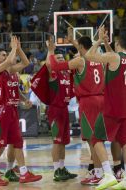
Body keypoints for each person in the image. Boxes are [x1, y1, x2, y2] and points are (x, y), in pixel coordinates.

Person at [48, 28, 104, 185]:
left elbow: (56, 67)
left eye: (77, 46)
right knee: (96, 138)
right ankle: (98, 170)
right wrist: (74, 41)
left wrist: (51, 52)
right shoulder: (98, 59)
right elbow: (84, 53)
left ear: (80, 47)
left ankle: (98, 173)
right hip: (101, 99)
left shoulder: (80, 61)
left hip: (88, 101)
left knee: (93, 140)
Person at [83, 26, 126, 190]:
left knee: (95, 139)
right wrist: (106, 43)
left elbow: (88, 55)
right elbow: (113, 60)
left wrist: (98, 40)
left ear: (118, 43)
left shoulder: (114, 57)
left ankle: (108, 174)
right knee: (125, 142)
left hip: (112, 108)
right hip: (125, 109)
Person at [0, 36, 42, 186]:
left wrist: (19, 48)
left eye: (6, 54)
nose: (6, 56)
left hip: (12, 111)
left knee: (18, 142)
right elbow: (10, 61)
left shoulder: (10, 72)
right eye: (3, 55)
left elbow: (26, 63)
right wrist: (13, 49)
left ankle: (23, 173)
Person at [31, 38, 77, 181]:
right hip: (55, 110)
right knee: (57, 142)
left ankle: (62, 168)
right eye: (57, 58)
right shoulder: (53, 74)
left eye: (62, 58)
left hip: (64, 109)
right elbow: (49, 66)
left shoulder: (66, 74)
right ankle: (56, 170)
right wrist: (50, 50)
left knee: (63, 142)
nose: (60, 60)